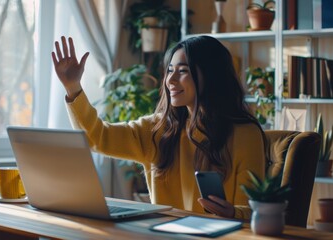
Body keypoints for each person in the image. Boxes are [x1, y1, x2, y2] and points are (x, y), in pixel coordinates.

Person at [52, 36, 265, 220]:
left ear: (210, 76)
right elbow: (97, 137)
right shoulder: (157, 129)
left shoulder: (245, 134)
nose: (170, 80)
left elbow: (253, 212)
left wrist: (232, 213)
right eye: (169, 70)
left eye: (183, 71)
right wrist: (73, 88)